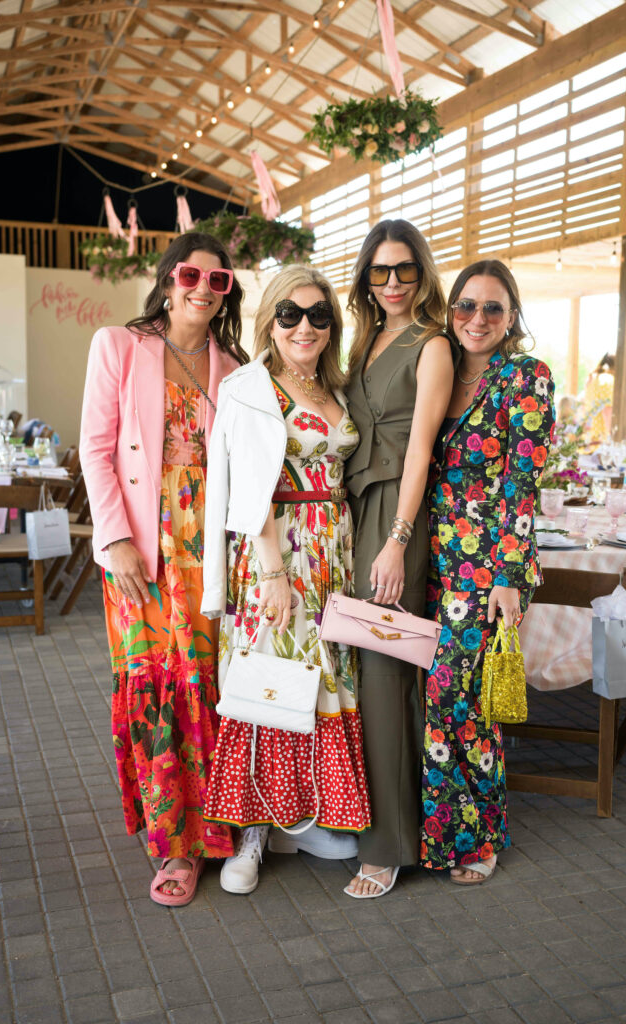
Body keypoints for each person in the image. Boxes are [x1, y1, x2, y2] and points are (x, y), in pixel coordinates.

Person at [79, 232, 246, 906]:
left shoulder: (233, 369)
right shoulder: (119, 346)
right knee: (152, 687)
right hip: (141, 553)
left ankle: (212, 830)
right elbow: (95, 449)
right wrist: (113, 538)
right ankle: (173, 842)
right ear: (166, 278)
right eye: (189, 274)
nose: (202, 289)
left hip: (210, 551)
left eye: (218, 281)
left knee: (203, 690)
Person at [200, 264, 371, 894]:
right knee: (268, 680)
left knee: (325, 682)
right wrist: (272, 570)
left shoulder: (336, 388)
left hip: (332, 554)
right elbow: (250, 485)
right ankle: (252, 832)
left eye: (319, 314)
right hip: (279, 554)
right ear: (269, 320)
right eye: (291, 314)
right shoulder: (251, 387)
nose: (305, 326)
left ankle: (314, 815)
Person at [422, 259, 555, 884]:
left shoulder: (525, 375)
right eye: (466, 306)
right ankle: (444, 832)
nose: (477, 319)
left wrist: (507, 574)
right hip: (436, 561)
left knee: (460, 699)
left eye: (492, 308)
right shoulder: (441, 370)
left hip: (488, 570)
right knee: (440, 701)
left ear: (512, 315)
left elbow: (522, 483)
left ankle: (476, 838)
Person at [342, 219, 455, 898]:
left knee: (385, 671)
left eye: (404, 270)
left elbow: (420, 449)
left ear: (422, 272)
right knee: (360, 669)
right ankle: (361, 819)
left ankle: (388, 847)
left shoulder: (431, 343)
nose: (391, 283)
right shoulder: (365, 338)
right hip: (353, 509)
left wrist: (398, 537)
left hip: (393, 517)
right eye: (379, 272)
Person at [581, 353, 614, 445]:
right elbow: (607, 410)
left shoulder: (592, 379)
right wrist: (611, 437)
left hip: (589, 437)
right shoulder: (608, 380)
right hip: (600, 440)